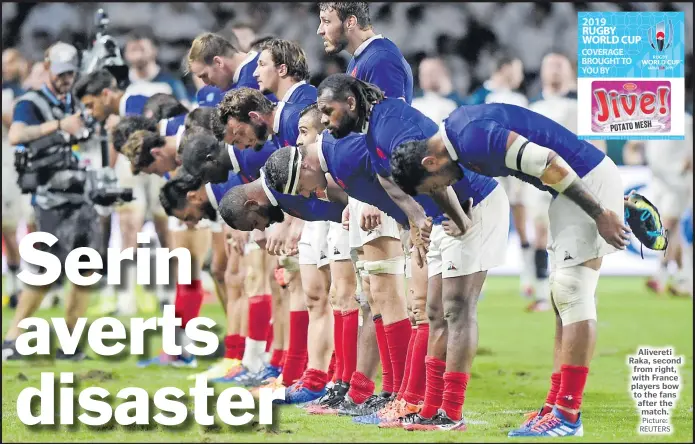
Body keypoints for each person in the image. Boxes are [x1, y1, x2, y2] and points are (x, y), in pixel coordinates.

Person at [388, 103, 630, 437]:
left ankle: (568, 414)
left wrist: (601, 211)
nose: (440, 191)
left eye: (433, 186)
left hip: (584, 183)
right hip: (570, 188)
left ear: (431, 163)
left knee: (573, 293)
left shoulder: (473, 138)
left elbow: (547, 162)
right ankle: (555, 406)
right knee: (562, 298)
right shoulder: (457, 138)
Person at [2, 42, 95, 361]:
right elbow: (16, 135)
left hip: (82, 191)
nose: (67, 78)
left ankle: (71, 343)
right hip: (51, 195)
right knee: (46, 269)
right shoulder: (31, 100)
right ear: (46, 68)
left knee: (85, 270)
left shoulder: (76, 100)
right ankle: (14, 337)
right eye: (61, 73)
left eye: (71, 73)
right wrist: (59, 126)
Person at [465, 50, 534, 298]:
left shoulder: (519, 98)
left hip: (517, 167)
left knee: (522, 221)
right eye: (517, 70)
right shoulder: (481, 97)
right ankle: (477, 281)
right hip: (488, 168)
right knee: (482, 223)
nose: (521, 76)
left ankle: (529, 279)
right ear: (505, 69)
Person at [317, 2, 413, 104]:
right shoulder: (361, 58)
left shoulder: (380, 59)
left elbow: (391, 117)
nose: (320, 30)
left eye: (326, 22)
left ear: (350, 22)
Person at [2, 48, 33, 308]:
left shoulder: (18, 92)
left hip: (13, 163)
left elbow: (18, 125)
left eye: (11, 61)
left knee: (16, 224)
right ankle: (14, 284)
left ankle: (22, 284)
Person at [187, 32, 276, 108]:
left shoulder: (245, 91)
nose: (205, 83)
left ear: (218, 62)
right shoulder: (270, 58)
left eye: (204, 76)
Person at [124, 28, 191, 107]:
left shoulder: (171, 82)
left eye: (141, 49)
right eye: (133, 50)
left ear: (154, 50)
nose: (138, 55)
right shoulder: (119, 83)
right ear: (126, 53)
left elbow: (185, 109)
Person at [253, 38, 317, 105]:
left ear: (282, 70)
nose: (255, 73)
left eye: (262, 64)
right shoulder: (301, 98)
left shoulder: (305, 102)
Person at [411, 57, 458, 124]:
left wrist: (447, 90)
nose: (426, 76)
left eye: (431, 72)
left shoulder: (449, 105)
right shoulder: (413, 104)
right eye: (422, 72)